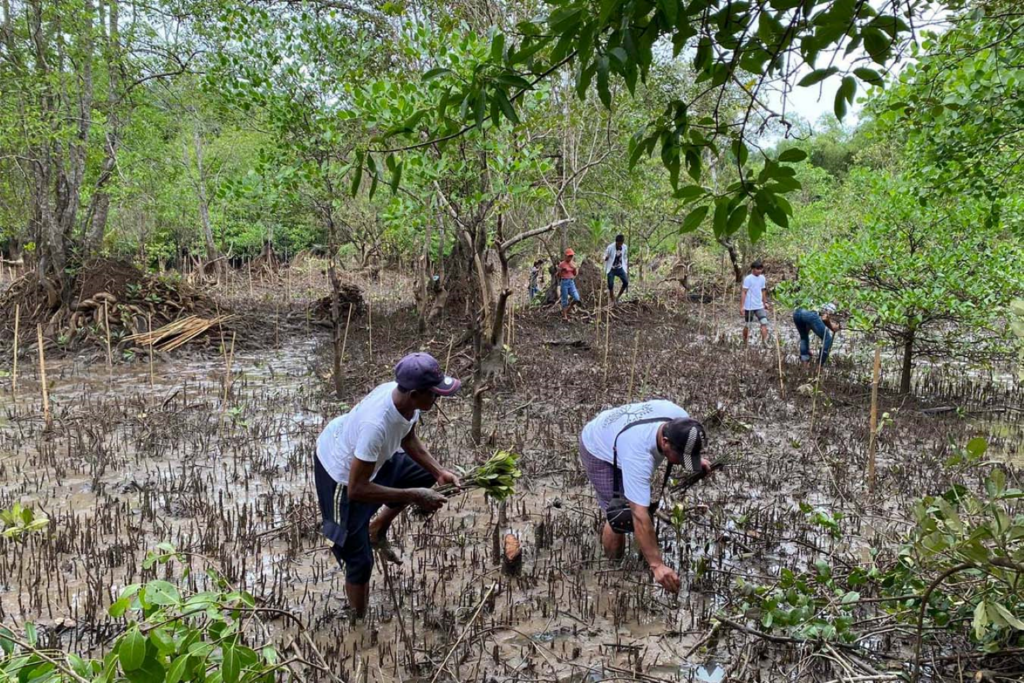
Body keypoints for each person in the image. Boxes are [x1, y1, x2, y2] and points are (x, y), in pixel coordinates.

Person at [314, 352, 462, 617]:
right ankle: (358, 623)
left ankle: (377, 527)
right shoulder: (376, 424)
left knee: (421, 475)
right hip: (339, 473)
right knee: (358, 560)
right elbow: (356, 489)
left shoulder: (406, 402)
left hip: (369, 462)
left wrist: (439, 472)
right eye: (434, 394)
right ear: (415, 393)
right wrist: (415, 496)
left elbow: (408, 437)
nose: (438, 399)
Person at [578, 400, 711, 593]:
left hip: (619, 434)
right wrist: (657, 565)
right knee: (620, 515)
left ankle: (635, 556)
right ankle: (613, 571)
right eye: (681, 457)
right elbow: (639, 514)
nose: (682, 463)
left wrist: (695, 461)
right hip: (598, 447)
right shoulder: (638, 456)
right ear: (665, 442)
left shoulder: (681, 421)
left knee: (635, 503)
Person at [741, 260, 770, 345]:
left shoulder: (762, 278)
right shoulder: (748, 279)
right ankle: (745, 341)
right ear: (753, 269)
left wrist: (765, 302)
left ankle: (765, 342)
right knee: (748, 325)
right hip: (749, 306)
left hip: (759, 305)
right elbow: (744, 292)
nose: (759, 271)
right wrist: (742, 306)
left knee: (764, 322)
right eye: (758, 269)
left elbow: (763, 290)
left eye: (761, 269)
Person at [604, 234, 629, 303]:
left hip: (620, 268)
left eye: (622, 243)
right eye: (619, 243)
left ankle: (618, 297)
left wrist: (625, 264)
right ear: (616, 242)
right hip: (611, 268)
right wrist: (606, 258)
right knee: (610, 284)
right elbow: (604, 256)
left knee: (625, 282)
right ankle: (612, 298)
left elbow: (624, 256)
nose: (620, 245)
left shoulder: (625, 247)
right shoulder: (610, 247)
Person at [557, 248, 580, 321]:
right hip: (564, 282)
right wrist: (561, 271)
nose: (570, 257)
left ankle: (568, 309)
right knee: (565, 299)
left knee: (576, 298)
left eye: (571, 256)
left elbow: (575, 274)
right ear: (565, 256)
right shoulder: (562, 264)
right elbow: (559, 275)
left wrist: (574, 268)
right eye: (569, 256)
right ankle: (565, 316)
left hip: (571, 282)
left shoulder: (573, 263)